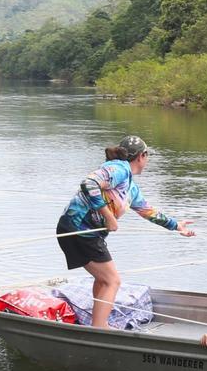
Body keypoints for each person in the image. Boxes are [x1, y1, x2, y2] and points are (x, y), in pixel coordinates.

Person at [57, 135, 194, 329]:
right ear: (142, 156)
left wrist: (176, 226)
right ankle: (99, 329)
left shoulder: (131, 188)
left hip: (86, 233)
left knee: (104, 279)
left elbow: (148, 211)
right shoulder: (119, 168)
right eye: (147, 156)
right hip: (78, 229)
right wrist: (109, 216)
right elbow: (89, 183)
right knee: (112, 281)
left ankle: (97, 324)